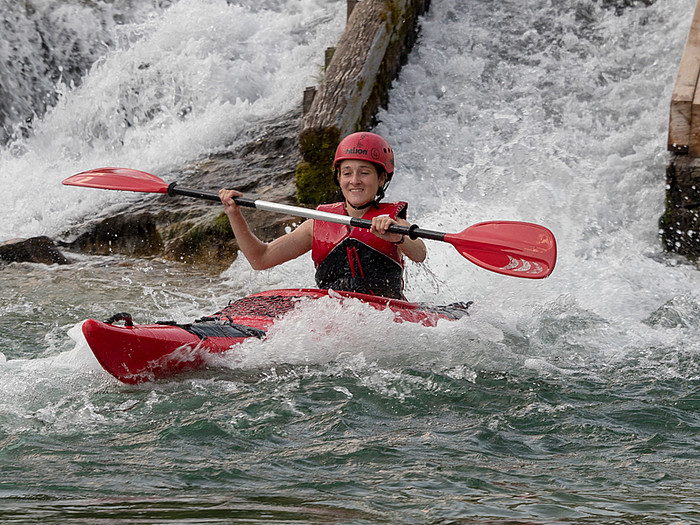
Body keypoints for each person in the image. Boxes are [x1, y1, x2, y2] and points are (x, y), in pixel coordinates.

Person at [219, 131, 426, 299]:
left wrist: (398, 237)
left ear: (381, 179)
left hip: (386, 317)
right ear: (339, 178)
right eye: (347, 173)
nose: (354, 180)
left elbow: (420, 253)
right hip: (332, 317)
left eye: (364, 172)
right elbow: (260, 259)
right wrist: (233, 214)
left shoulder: (392, 223)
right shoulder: (317, 225)